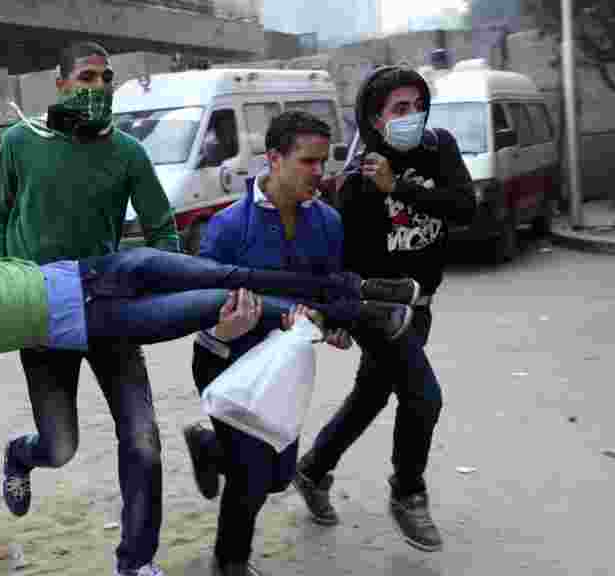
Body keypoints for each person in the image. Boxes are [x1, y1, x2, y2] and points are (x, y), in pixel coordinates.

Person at [0, 40, 181, 576]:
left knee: (143, 440)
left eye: (106, 79)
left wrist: (163, 277)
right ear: (61, 82)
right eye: (87, 77)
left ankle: (136, 561)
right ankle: (22, 454)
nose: (98, 88)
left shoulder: (127, 152)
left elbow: (162, 226)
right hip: (40, 310)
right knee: (61, 445)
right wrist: (3, 277)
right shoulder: (20, 143)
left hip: (110, 308)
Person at [179, 111, 395, 576]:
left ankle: (208, 446)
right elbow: (200, 307)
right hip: (227, 360)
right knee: (252, 474)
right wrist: (225, 330)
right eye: (308, 161)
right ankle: (230, 562)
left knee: (278, 476)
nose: (320, 172)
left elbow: (326, 292)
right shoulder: (228, 228)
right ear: (274, 159)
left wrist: (336, 326)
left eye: (324, 161)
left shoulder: (328, 224)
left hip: (286, 366)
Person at [292, 64, 476, 553]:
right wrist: (336, 319)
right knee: (424, 397)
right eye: (400, 109)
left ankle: (312, 470)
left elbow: (464, 207)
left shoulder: (440, 149)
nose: (412, 116)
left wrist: (400, 187)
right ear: (375, 118)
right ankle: (407, 493)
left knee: (373, 393)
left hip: (422, 305)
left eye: (419, 106)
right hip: (378, 309)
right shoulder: (356, 183)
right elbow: (346, 261)